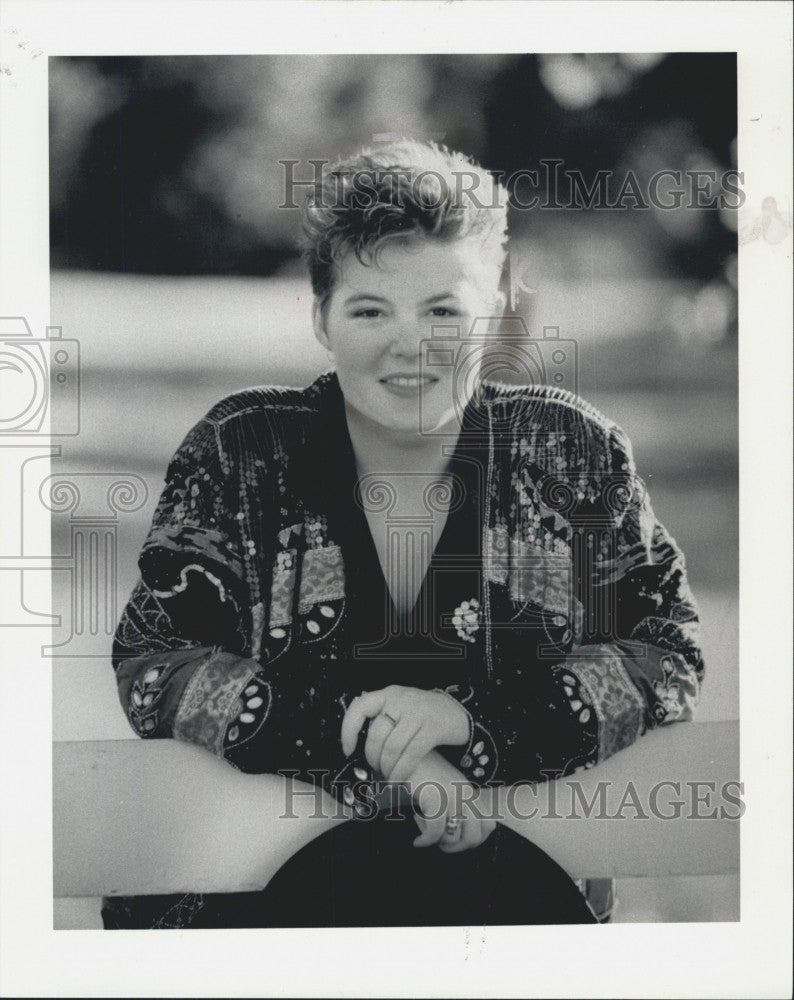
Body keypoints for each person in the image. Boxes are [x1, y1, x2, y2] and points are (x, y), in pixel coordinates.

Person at [102, 140, 704, 929]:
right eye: (370, 309)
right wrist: (370, 742)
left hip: (509, 925)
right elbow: (156, 661)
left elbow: (669, 652)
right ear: (321, 317)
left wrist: (477, 729)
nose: (409, 344)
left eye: (443, 309)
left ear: (496, 311)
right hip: (253, 932)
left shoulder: (571, 453)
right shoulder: (242, 451)